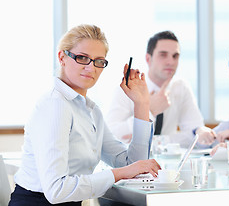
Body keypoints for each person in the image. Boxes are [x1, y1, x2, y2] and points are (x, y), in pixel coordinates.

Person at [9, 24, 160, 205]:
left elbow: (134, 165)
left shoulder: (91, 110)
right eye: (82, 58)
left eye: (99, 61)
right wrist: (119, 174)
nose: (91, 68)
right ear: (62, 57)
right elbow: (56, 190)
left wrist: (141, 104)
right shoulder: (55, 105)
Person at [106, 31, 206, 147]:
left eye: (175, 56)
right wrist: (148, 111)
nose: (171, 62)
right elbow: (112, 135)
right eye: (163, 55)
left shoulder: (181, 87)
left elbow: (196, 133)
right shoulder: (127, 88)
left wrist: (158, 142)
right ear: (148, 59)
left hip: (168, 161)